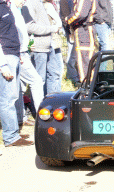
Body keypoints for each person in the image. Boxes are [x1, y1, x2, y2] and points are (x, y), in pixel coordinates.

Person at [0, 0, 33, 147]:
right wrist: (2, 65)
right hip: (6, 58)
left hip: (13, 55)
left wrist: (18, 54)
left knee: (13, 96)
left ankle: (14, 131)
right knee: (7, 99)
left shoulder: (5, 6)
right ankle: (10, 137)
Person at [10, 0, 44, 127]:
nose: (24, 1)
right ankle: (42, 116)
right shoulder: (10, 10)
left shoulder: (19, 10)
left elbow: (22, 32)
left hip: (24, 51)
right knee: (36, 81)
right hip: (19, 53)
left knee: (21, 88)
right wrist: (18, 51)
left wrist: (29, 44)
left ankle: (21, 118)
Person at [21, 0, 60, 95]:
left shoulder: (40, 3)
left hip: (49, 45)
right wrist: (52, 28)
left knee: (54, 75)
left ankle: (52, 104)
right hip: (38, 48)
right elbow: (29, 27)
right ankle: (39, 107)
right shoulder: (29, 4)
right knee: (39, 80)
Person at [66, 0, 96, 83]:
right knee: (87, 60)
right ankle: (89, 86)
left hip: (83, 30)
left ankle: (86, 88)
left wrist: (68, 20)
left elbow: (80, 14)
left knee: (84, 61)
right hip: (85, 29)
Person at [43, 0, 64, 92]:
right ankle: (55, 95)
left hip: (44, 42)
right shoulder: (49, 6)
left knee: (46, 72)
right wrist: (55, 27)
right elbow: (59, 23)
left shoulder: (40, 5)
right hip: (53, 41)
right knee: (57, 71)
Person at [60, 0, 80, 85]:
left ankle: (72, 74)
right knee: (71, 54)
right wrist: (69, 30)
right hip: (71, 29)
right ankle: (72, 75)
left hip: (76, 29)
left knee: (74, 54)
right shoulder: (64, 1)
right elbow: (64, 16)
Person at [94, 0, 113, 71]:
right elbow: (93, 7)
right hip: (101, 23)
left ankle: (99, 70)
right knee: (105, 47)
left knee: (103, 47)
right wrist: (100, 20)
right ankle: (101, 71)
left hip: (107, 23)